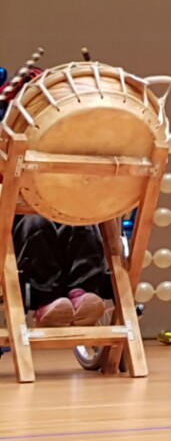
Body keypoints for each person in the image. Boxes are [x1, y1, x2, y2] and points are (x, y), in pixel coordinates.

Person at [0, 67, 108, 328]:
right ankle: (46, 299)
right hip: (15, 217)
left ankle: (83, 293)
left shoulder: (59, 142)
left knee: (85, 221)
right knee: (36, 225)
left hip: (59, 203)